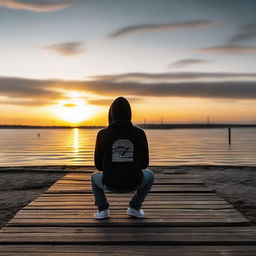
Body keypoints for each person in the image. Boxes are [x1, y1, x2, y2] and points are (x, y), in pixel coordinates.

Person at [91, 97, 154, 219]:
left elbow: (98, 166)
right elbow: (144, 164)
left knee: (94, 177)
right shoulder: (139, 133)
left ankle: (103, 210)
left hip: (110, 182)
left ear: (111, 113)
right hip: (134, 182)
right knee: (150, 174)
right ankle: (135, 207)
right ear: (129, 113)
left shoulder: (102, 134)